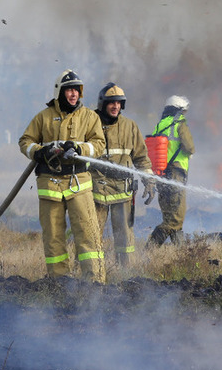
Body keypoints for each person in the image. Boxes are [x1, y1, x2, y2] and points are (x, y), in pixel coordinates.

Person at [18, 69, 107, 283]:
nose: (73, 94)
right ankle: (60, 283)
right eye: (69, 90)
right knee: (53, 237)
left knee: (88, 234)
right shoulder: (44, 117)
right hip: (50, 182)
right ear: (60, 92)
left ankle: (94, 283)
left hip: (79, 182)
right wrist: (40, 152)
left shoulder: (89, 117)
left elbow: (100, 144)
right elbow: (25, 141)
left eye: (76, 90)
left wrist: (79, 148)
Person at [90, 83, 156, 268]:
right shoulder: (90, 122)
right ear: (103, 103)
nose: (116, 106)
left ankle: (124, 274)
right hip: (96, 191)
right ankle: (93, 273)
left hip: (122, 191)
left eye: (119, 103)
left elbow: (142, 158)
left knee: (125, 238)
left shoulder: (129, 126)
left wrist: (149, 181)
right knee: (92, 234)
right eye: (112, 103)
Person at [147, 95, 194, 247]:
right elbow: (189, 147)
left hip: (162, 175)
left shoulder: (160, 125)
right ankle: (149, 248)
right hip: (176, 174)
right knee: (175, 219)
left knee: (170, 216)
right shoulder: (180, 123)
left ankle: (182, 254)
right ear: (178, 110)